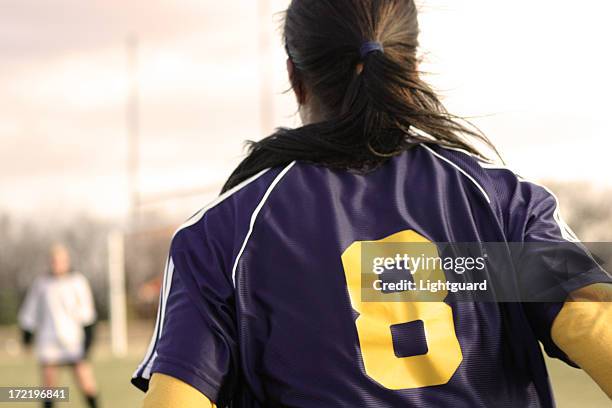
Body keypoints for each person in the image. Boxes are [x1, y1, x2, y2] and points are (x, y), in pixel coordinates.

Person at [132, 0, 612, 407]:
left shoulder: (222, 234)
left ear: (294, 76)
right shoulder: (500, 200)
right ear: (414, 66)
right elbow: (591, 324)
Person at [19, 243, 99, 408]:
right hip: (49, 340)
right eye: (54, 261)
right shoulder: (41, 284)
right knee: (49, 388)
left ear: (67, 261)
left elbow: (87, 313)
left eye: (61, 260)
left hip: (73, 341)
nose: (57, 264)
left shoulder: (78, 282)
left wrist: (88, 340)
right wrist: (27, 336)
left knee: (86, 383)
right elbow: (30, 312)